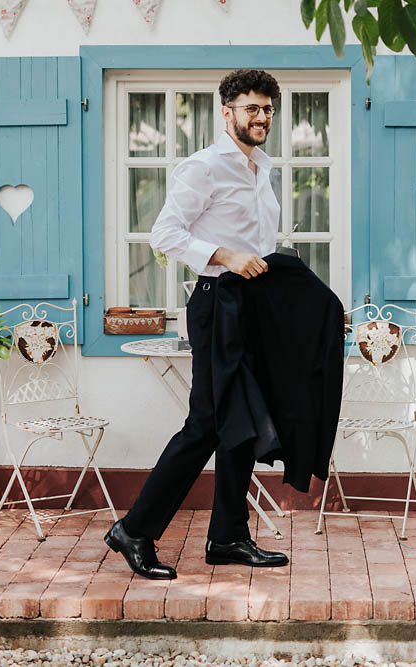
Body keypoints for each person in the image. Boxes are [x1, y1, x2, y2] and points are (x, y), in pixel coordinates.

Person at [105, 69, 289, 579]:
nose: (261, 117)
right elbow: (164, 234)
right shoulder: (204, 167)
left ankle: (228, 536)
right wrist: (225, 255)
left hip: (254, 306)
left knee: (242, 421)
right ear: (226, 112)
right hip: (217, 302)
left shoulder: (263, 167)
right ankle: (135, 529)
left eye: (267, 109)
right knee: (206, 422)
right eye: (251, 108)